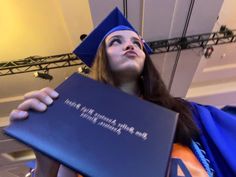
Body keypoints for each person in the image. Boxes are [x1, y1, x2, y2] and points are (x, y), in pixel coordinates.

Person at [9, 7, 236, 177]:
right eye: (115, 41)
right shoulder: (78, 120)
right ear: (101, 57)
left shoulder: (184, 112)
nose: (130, 46)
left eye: (136, 43)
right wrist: (46, 164)